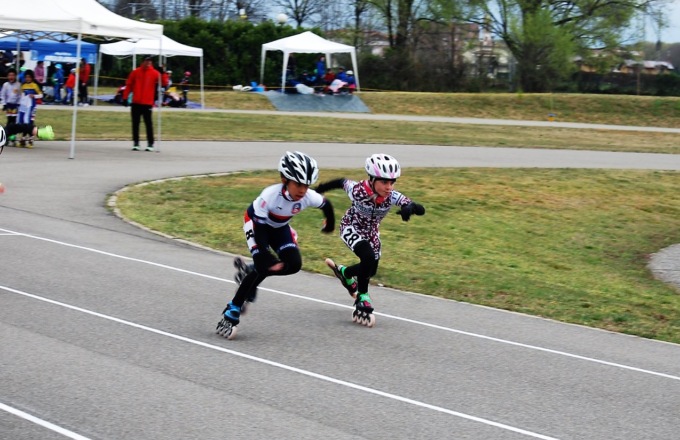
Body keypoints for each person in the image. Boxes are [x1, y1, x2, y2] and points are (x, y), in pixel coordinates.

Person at [216, 151, 336, 339]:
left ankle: (249, 272)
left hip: (279, 227)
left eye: (306, 185)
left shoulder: (308, 196)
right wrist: (264, 256)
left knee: (294, 265)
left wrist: (329, 224)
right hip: (256, 224)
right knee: (263, 266)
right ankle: (232, 310)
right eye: (298, 184)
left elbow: (326, 205)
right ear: (284, 179)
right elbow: (260, 231)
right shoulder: (270, 196)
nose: (303, 190)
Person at [314, 154, 425, 327]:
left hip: (371, 233)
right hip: (351, 227)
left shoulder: (391, 196)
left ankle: (346, 273)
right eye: (384, 182)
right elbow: (340, 182)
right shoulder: (358, 190)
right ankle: (363, 297)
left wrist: (409, 208)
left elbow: (420, 208)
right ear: (372, 180)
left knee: (370, 270)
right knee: (368, 257)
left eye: (392, 182)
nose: (389, 187)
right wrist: (317, 191)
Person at [122, 56, 160, 152]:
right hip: (136, 102)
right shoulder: (135, 72)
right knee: (135, 123)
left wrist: (162, 73)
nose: (148, 63)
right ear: (143, 61)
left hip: (147, 103)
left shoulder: (155, 73)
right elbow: (129, 85)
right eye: (146, 61)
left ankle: (150, 143)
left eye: (150, 61)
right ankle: (136, 143)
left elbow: (164, 83)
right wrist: (125, 97)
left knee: (148, 124)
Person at [18, 70, 43, 148]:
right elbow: (21, 96)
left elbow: (41, 95)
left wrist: (34, 96)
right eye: (26, 77)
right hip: (25, 108)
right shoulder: (23, 86)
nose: (27, 78)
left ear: (32, 78)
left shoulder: (34, 85)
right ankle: (23, 137)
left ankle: (31, 138)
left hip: (32, 107)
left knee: (30, 122)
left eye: (29, 77)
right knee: (24, 122)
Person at [0, 68, 21, 146]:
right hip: (9, 105)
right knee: (9, 121)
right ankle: (6, 137)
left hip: (15, 106)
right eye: (9, 75)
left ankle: (13, 137)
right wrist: (4, 104)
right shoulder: (6, 85)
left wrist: (19, 104)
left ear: (15, 76)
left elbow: (20, 96)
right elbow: (2, 95)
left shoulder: (18, 85)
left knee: (14, 122)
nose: (11, 77)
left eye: (13, 75)